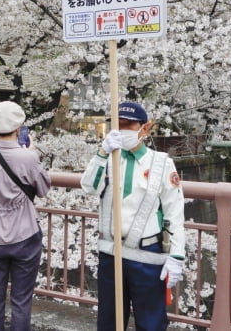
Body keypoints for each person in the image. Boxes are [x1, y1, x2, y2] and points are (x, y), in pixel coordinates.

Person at [80, 101, 185, 330]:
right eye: (117, 125)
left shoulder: (161, 163)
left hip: (146, 256)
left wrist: (177, 256)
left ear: (144, 128)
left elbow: (174, 212)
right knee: (109, 321)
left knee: (150, 323)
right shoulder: (107, 159)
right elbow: (88, 186)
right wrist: (102, 152)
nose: (122, 130)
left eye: (128, 125)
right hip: (111, 253)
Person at [0, 101, 51, 331]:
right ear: (19, 128)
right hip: (24, 233)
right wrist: (32, 155)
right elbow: (43, 189)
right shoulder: (27, 157)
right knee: (21, 301)